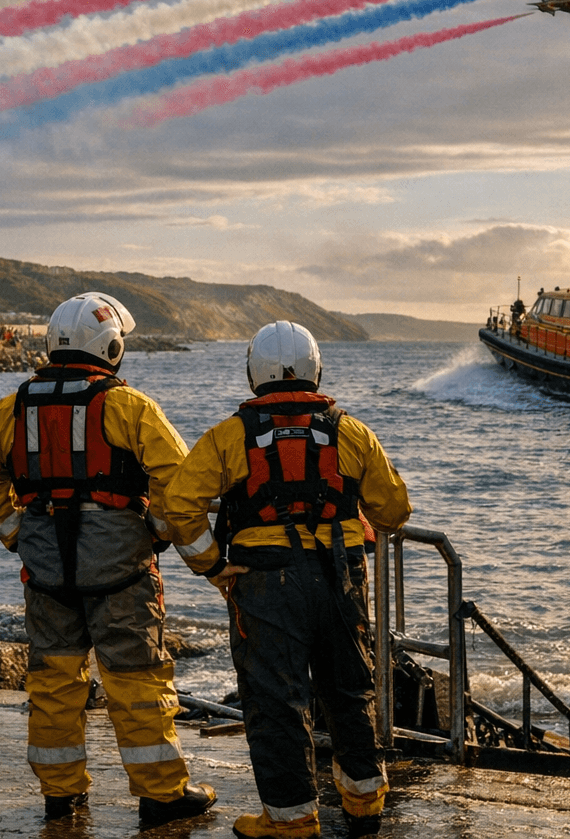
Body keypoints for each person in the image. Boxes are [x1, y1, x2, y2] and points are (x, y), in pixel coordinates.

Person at [0, 293, 217, 825]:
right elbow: (178, 479)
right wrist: (158, 532)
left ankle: (61, 792)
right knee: (137, 681)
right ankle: (162, 794)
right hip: (121, 569)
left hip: (46, 570)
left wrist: (16, 534)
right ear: (112, 347)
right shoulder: (130, 406)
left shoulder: (14, 406)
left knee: (53, 681)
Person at [162, 322, 412, 839]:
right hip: (341, 577)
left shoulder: (229, 436)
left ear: (254, 374)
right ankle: (365, 803)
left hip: (263, 582)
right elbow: (394, 511)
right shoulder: (351, 431)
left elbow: (178, 504)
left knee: (276, 700)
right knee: (350, 689)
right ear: (315, 369)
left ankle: (292, 819)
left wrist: (210, 564)